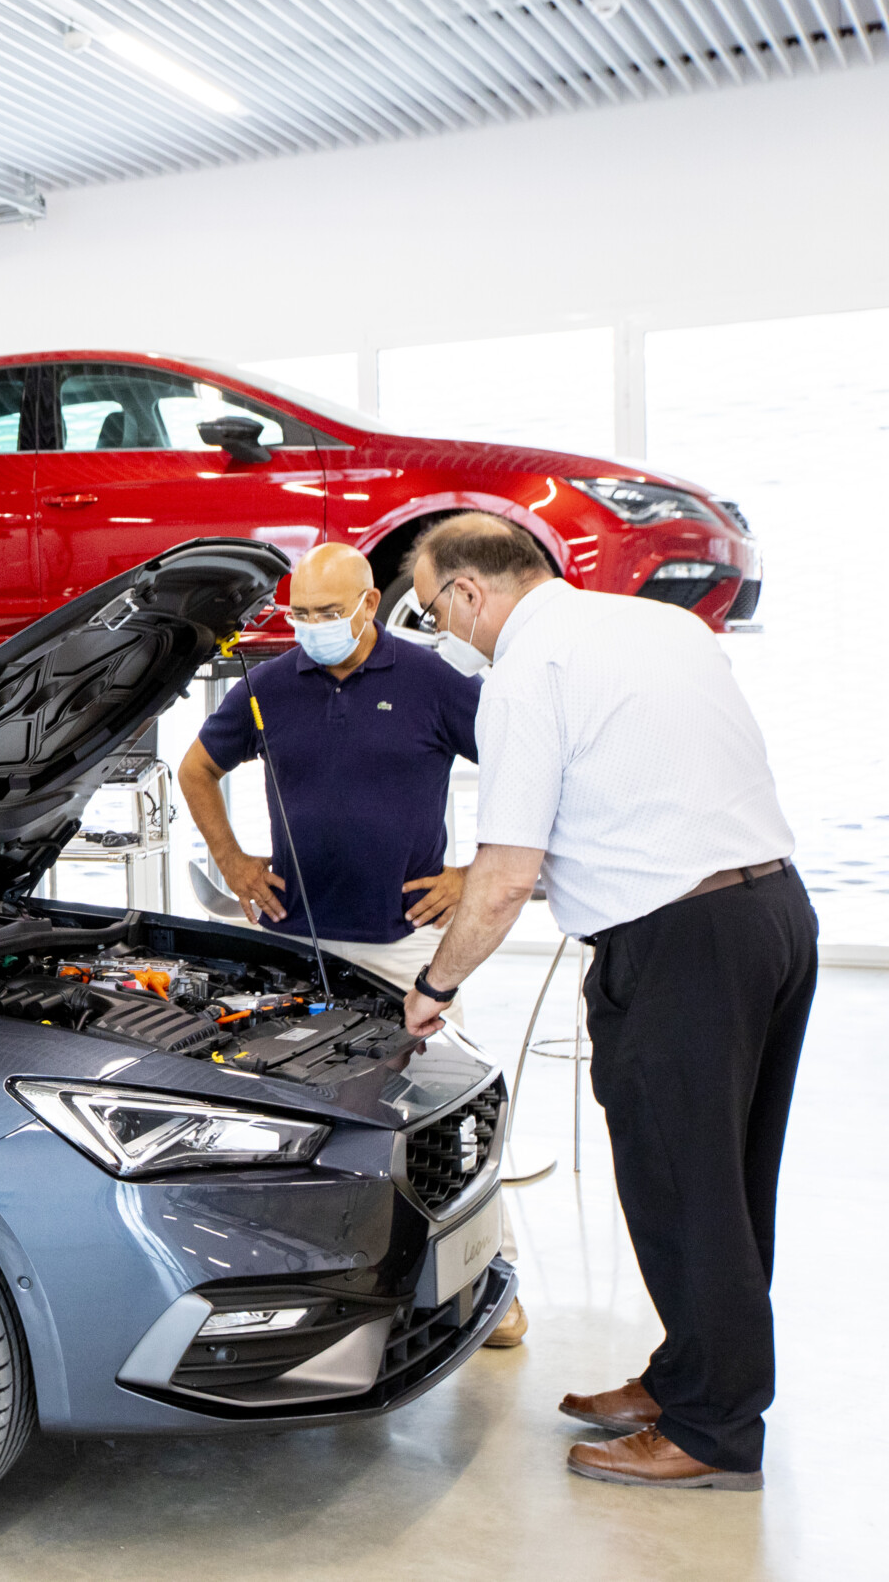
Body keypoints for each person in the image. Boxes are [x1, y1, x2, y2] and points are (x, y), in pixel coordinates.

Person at [399, 514, 812, 1492]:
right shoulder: (656, 626)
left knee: (681, 1190)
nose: (440, 629)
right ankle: (689, 1379)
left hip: (676, 942)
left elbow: (500, 878)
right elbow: (646, 779)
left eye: (428, 607)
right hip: (772, 912)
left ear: (467, 593)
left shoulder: (522, 678)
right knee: (732, 1185)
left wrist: (434, 985)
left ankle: (712, 1434)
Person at [179, 542, 526, 1349]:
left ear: (371, 606)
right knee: (304, 1135)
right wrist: (232, 860)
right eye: (300, 614)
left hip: (408, 950)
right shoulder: (267, 688)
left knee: (449, 1126)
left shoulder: (431, 682)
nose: (312, 628)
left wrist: (473, 874)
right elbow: (198, 767)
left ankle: (490, 1282)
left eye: (328, 613)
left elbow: (524, 768)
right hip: (291, 944)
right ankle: (320, 1296)